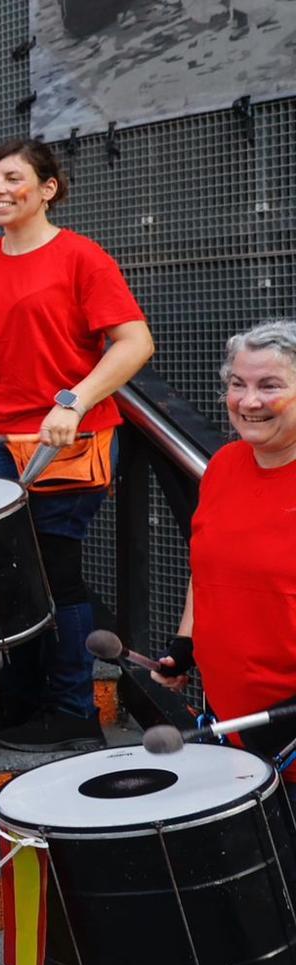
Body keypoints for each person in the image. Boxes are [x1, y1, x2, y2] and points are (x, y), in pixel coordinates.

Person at [0, 139, 153, 752]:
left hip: (65, 442)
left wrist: (74, 400)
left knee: (54, 572)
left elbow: (133, 343)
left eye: (13, 178)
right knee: (6, 573)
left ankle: (74, 709)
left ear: (48, 188)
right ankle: (19, 698)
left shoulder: (82, 257)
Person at [158, 321, 296, 763]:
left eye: (269, 385)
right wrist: (186, 643)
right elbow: (209, 566)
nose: (249, 401)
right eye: (238, 384)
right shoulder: (223, 465)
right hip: (232, 726)